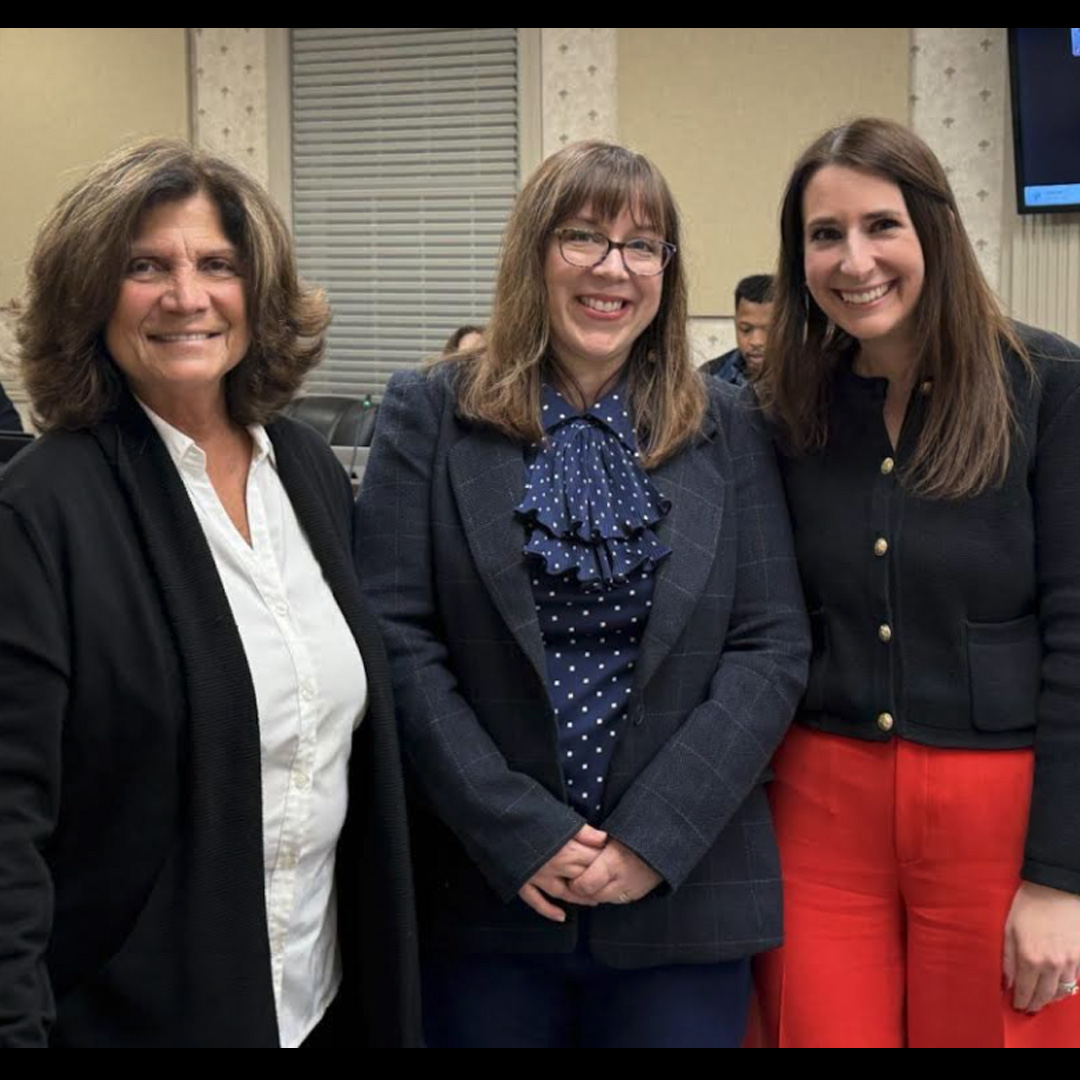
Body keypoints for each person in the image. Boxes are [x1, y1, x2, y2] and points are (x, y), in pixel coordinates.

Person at [355, 140, 809, 1048]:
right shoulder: (429, 412)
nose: (615, 269)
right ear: (534, 253)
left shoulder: (731, 422)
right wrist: (515, 828)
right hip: (484, 889)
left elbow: (771, 646)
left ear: (668, 274)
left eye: (644, 246)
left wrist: (653, 838)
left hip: (685, 894)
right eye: (584, 239)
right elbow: (394, 636)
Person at [0, 140, 420, 1047]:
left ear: (255, 292)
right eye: (144, 266)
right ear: (91, 297)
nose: (186, 297)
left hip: (318, 998)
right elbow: (9, 826)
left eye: (216, 265)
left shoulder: (304, 470)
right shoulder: (40, 508)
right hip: (132, 1018)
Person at [754, 116, 1080, 1048]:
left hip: (1001, 818)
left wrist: (1062, 876)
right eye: (825, 235)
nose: (854, 260)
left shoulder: (1048, 385)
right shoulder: (779, 406)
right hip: (819, 811)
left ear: (934, 227)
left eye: (880, 225)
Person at [700, 274, 774, 385]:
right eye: (745, 329)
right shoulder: (709, 378)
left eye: (769, 330)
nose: (756, 341)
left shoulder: (807, 378)